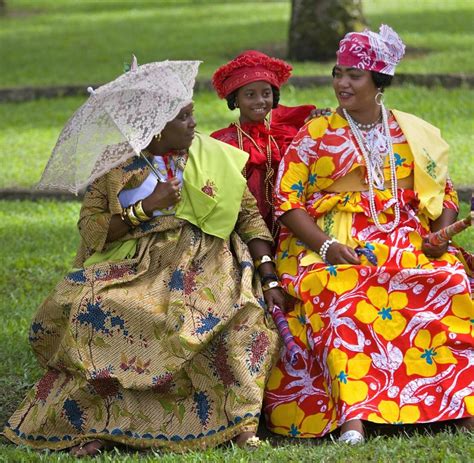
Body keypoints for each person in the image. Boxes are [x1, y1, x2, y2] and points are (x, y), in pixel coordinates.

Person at [3, 60, 285, 456]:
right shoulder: (118, 166)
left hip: (209, 259)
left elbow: (250, 218)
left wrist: (268, 276)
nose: (193, 124)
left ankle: (239, 424)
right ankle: (97, 423)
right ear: (155, 125)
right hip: (139, 263)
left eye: (192, 115)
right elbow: (92, 230)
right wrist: (146, 207)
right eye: (183, 118)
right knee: (97, 309)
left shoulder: (215, 156)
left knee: (240, 318)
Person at [264, 25, 473, 444]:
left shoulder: (413, 132)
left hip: (405, 237)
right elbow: (286, 201)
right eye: (338, 73)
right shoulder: (317, 133)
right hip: (331, 243)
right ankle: (353, 416)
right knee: (342, 290)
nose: (342, 82)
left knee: (450, 280)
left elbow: (442, 193)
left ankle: (461, 404)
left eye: (354, 75)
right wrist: (324, 246)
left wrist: (441, 235)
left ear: (378, 81)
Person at [211, 50, 318, 237]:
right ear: (235, 99)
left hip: (287, 226)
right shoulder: (224, 143)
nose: (260, 101)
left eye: (266, 93)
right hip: (240, 229)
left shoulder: (288, 134)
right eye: (250, 95)